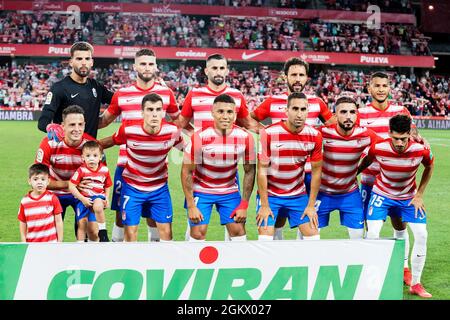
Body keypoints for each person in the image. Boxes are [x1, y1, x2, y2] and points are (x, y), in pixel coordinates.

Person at [98, 48, 181, 243]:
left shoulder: (166, 93)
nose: (147, 67)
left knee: (153, 215)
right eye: (143, 63)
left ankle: (154, 252)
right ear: (135, 66)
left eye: (150, 63)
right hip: (125, 164)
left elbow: (179, 123)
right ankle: (118, 249)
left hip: (155, 165)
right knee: (121, 213)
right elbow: (104, 122)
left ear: (156, 67)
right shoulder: (122, 94)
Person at [175, 53, 260, 241]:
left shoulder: (236, 95)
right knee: (198, 227)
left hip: (228, 165)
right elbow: (180, 124)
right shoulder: (194, 94)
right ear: (206, 71)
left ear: (227, 70)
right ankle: (192, 238)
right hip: (200, 164)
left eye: (222, 68)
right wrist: (189, 143)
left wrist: (272, 133)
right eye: (214, 68)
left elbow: (247, 123)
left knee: (235, 224)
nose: (218, 71)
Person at [251, 57, 335, 240]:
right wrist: (264, 132)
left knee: (306, 218)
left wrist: (316, 133)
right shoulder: (272, 101)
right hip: (278, 169)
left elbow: (334, 126)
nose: (297, 79)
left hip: (307, 171)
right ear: (286, 76)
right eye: (294, 74)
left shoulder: (317, 102)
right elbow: (250, 119)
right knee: (277, 219)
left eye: (301, 75)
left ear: (306, 78)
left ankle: (300, 256)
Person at [358, 71, 427, 285]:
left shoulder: (401, 111)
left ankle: (404, 267)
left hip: (397, 183)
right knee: (370, 227)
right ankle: (371, 269)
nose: (380, 89)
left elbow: (412, 134)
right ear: (369, 89)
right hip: (370, 180)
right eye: (376, 85)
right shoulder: (360, 113)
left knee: (400, 224)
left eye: (384, 86)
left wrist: (418, 138)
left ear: (389, 88)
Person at [358, 114, 434, 298]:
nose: (399, 143)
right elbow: (367, 160)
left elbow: (430, 166)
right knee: (373, 233)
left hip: (408, 197)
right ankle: (373, 278)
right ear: (389, 133)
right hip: (382, 195)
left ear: (410, 134)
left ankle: (415, 283)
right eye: (396, 138)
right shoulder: (378, 147)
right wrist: (354, 175)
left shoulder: (420, 150)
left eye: (403, 138)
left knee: (422, 234)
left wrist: (419, 194)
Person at [181, 94, 256, 241]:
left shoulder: (246, 138)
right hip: (202, 190)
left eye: (229, 112)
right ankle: (193, 261)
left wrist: (244, 204)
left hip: (229, 191)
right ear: (212, 113)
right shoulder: (199, 137)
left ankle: (236, 264)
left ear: (235, 115)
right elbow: (186, 171)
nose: (225, 116)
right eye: (220, 111)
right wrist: (191, 205)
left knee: (238, 231)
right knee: (198, 232)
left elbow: (250, 171)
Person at [256, 92, 322, 241]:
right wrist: (264, 205)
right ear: (286, 111)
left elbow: (317, 172)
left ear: (308, 111)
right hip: (271, 194)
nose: (299, 114)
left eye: (303, 110)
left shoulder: (315, 135)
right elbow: (261, 171)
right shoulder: (269, 133)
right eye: (295, 109)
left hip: (297, 195)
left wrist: (311, 206)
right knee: (265, 239)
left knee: (314, 239)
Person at [316, 96, 379, 239]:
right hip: (322, 193)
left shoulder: (365, 134)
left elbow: (387, 146)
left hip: (350, 194)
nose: (348, 116)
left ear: (357, 115)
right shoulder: (322, 133)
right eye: (343, 112)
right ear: (335, 115)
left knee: (357, 239)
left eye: (352, 112)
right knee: (310, 238)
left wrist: (416, 137)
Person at [35, 105, 97, 238]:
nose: (77, 129)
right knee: (51, 235)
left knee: (89, 231)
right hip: (55, 192)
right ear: (62, 126)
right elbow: (38, 179)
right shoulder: (49, 143)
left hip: (82, 192)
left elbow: (99, 177)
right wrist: (70, 184)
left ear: (85, 125)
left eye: (80, 124)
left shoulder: (91, 145)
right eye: (72, 125)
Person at [38, 41, 113, 139]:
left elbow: (118, 100)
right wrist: (51, 127)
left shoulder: (97, 87)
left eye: (87, 58)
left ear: (91, 62)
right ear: (71, 62)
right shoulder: (59, 88)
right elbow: (43, 122)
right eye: (79, 59)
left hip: (89, 150)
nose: (83, 62)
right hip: (66, 151)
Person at [68, 141, 112, 242]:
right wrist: (83, 199)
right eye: (88, 156)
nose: (91, 159)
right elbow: (71, 185)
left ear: (100, 157)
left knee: (93, 228)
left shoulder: (104, 170)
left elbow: (108, 185)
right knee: (82, 224)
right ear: (83, 158)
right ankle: (80, 245)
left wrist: (107, 198)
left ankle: (103, 232)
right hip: (83, 200)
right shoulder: (81, 170)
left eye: (95, 155)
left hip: (98, 197)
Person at [18, 163, 63, 243]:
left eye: (43, 179)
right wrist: (23, 241)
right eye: (35, 179)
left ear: (48, 181)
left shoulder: (52, 198)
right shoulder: (24, 201)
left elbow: (58, 221)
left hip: (51, 243)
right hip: (32, 244)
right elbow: (22, 222)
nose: (39, 182)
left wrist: (59, 241)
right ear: (29, 181)